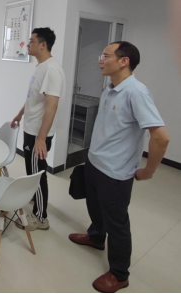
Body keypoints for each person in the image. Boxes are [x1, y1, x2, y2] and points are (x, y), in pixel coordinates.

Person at [69, 42, 170, 294]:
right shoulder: (110, 88)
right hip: (95, 163)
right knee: (95, 207)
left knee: (117, 223)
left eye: (105, 55)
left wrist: (148, 171)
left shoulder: (136, 92)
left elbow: (161, 137)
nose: (100, 60)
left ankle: (119, 274)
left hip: (115, 173)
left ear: (124, 61)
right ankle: (96, 237)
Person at [12, 28, 65, 231]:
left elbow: (52, 105)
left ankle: (41, 217)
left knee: (37, 174)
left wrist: (41, 138)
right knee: (32, 170)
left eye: (31, 41)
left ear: (43, 44)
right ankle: (36, 197)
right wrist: (20, 114)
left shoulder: (51, 70)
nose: (28, 44)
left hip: (37, 134)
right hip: (32, 129)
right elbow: (33, 99)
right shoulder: (41, 67)